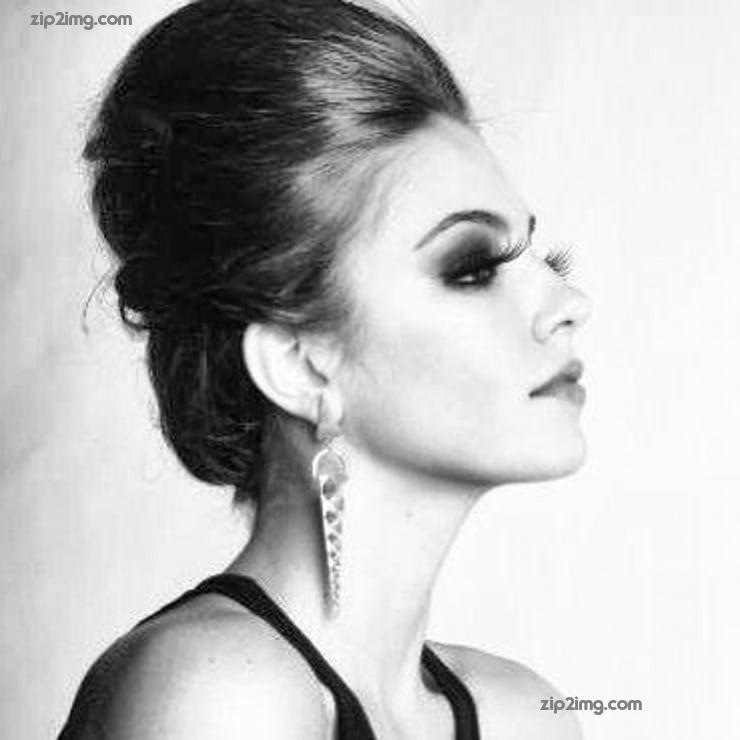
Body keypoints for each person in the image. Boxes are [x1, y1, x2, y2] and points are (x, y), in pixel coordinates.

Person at [59, 0, 591, 737]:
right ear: (300, 367)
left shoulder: (526, 715)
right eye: (472, 268)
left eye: (546, 260)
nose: (568, 304)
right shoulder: (218, 697)